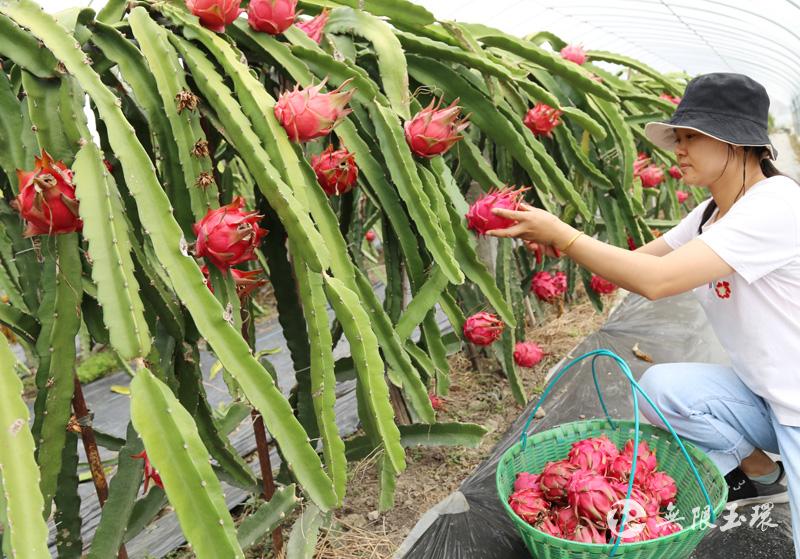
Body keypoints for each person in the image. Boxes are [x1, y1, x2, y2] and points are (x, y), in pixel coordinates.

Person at [487, 73, 800, 553]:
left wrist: (564, 235)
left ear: (738, 143)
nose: (678, 146)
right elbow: (640, 263)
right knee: (660, 390)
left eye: (692, 135)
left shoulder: (775, 207)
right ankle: (762, 470)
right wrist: (560, 243)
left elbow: (654, 283)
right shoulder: (707, 214)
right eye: (678, 135)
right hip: (766, 396)